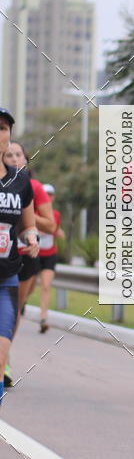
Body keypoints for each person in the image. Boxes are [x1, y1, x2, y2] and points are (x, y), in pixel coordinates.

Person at [3, 141, 56, 386]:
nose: (15, 159)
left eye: (19, 155)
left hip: (24, 255)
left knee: (14, 310)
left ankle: (5, 357)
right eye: (9, 155)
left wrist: (24, 212)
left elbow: (50, 225)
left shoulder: (32, 187)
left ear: (26, 160)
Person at [0, 109, 39, 407]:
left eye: (3, 128)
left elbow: (28, 225)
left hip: (6, 278)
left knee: (1, 354)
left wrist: (32, 238)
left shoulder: (20, 180)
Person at [37, 183, 65, 333]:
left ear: (53, 197)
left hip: (49, 254)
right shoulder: (33, 212)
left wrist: (58, 232)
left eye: (50, 195)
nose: (47, 197)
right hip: (33, 254)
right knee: (28, 288)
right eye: (45, 194)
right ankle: (22, 303)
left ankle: (43, 319)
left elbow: (56, 229)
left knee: (46, 286)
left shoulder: (56, 215)